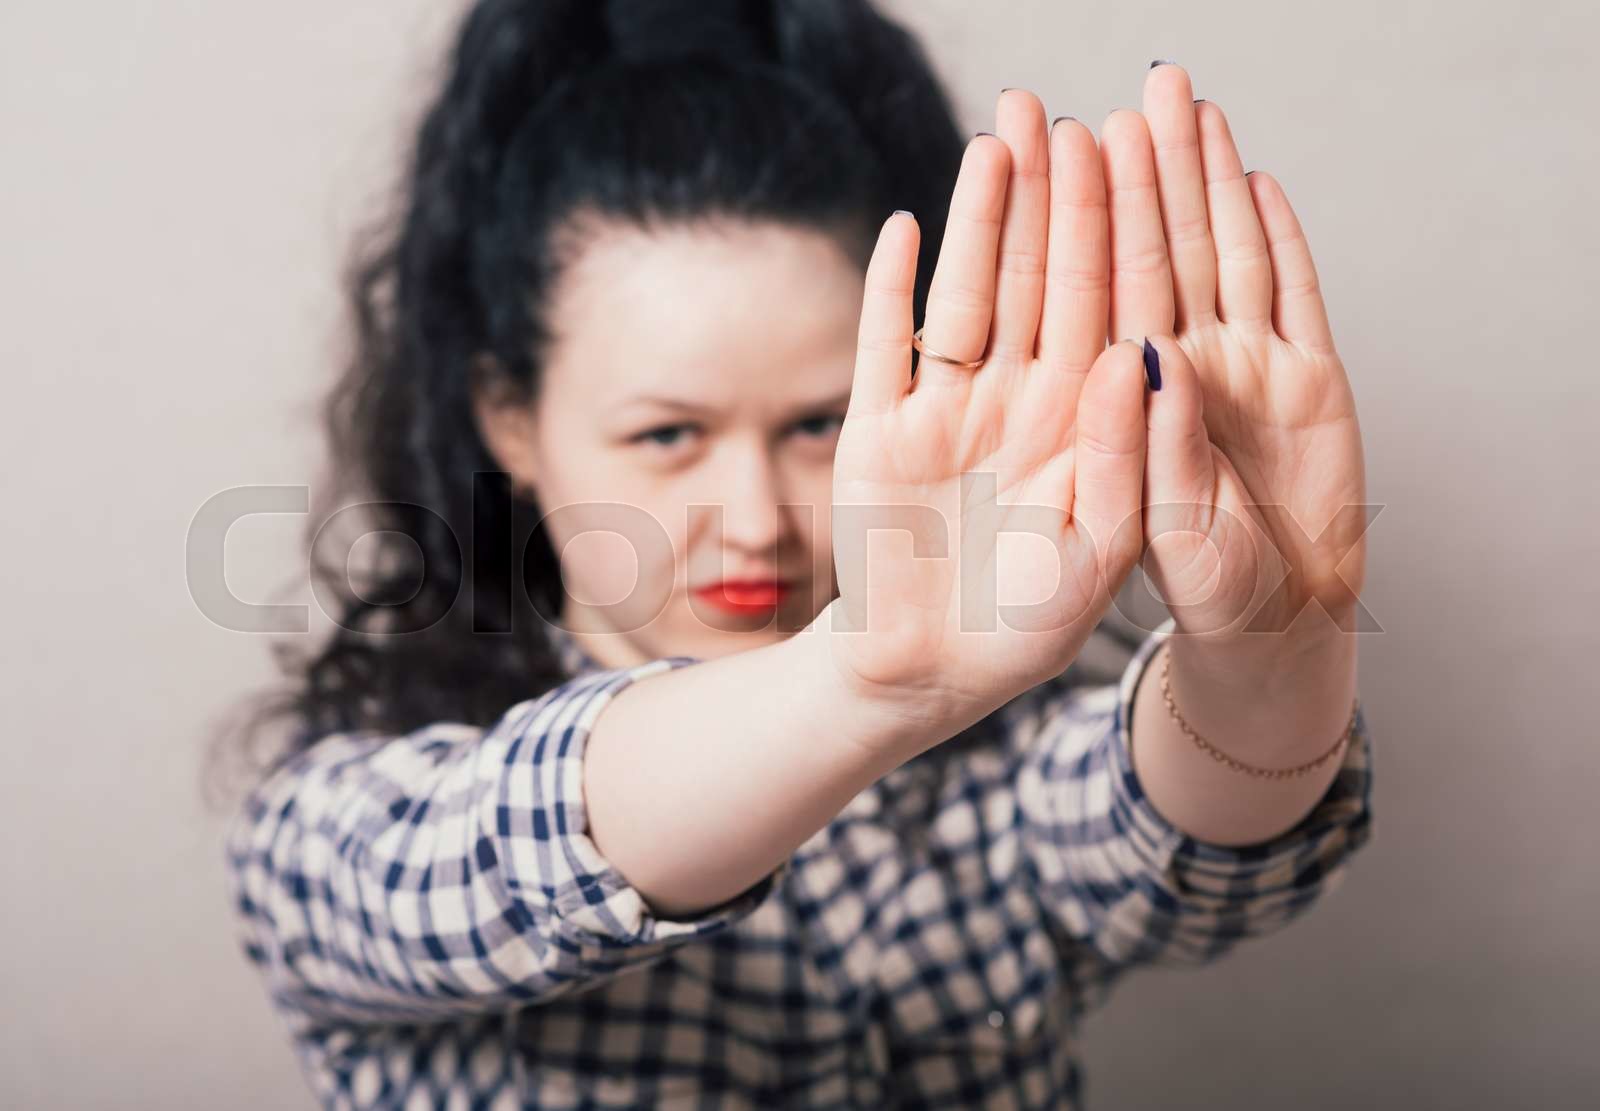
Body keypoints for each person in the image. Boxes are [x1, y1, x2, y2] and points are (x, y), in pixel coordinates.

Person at [219, 0, 1376, 1106]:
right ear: (508, 418)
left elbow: (1183, 841)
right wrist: (863, 679)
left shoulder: (973, 786)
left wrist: (1269, 650)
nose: (757, 518)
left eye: (818, 424)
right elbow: (497, 856)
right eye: (668, 434)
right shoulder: (339, 825)